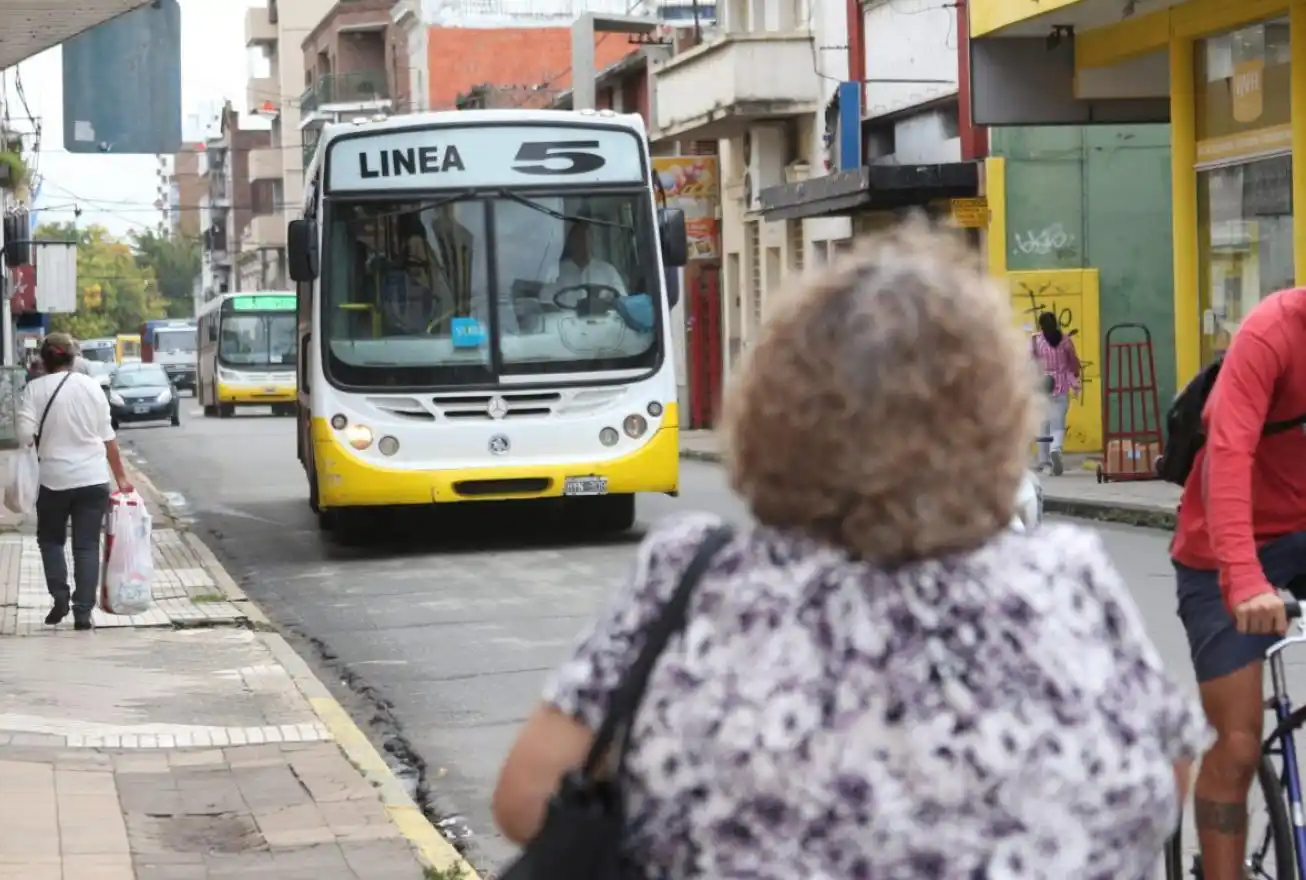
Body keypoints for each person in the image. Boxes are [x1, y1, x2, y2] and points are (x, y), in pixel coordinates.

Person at [492, 218, 1206, 878]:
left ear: (772, 411)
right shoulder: (1070, 580)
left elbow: (526, 800)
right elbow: (1166, 780)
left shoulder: (691, 578)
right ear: (995, 417)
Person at [1171, 286, 1306, 880]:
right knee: (1239, 741)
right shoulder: (1272, 332)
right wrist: (1245, 578)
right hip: (1225, 547)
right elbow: (1227, 452)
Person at [16, 333, 133, 631]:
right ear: (73, 358)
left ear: (42, 360)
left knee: (51, 540)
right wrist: (121, 477)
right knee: (87, 545)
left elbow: (23, 436)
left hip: (53, 480)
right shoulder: (92, 387)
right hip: (93, 479)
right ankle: (83, 612)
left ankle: (59, 597)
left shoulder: (34, 390)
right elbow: (108, 439)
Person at [1030, 311, 1080, 476]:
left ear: (1041, 326)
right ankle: (1056, 448)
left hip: (1043, 385)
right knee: (1058, 421)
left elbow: (1030, 361)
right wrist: (1075, 379)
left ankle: (1044, 461)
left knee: (1043, 423)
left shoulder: (1036, 341)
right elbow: (1073, 363)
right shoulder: (1065, 341)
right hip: (1062, 384)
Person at [553, 220, 627, 302]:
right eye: (579, 238)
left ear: (592, 241)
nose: (583, 242)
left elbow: (623, 301)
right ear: (571, 241)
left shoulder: (608, 270)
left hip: (600, 315)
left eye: (587, 238)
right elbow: (547, 303)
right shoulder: (557, 271)